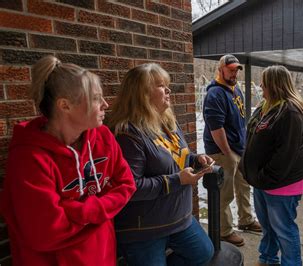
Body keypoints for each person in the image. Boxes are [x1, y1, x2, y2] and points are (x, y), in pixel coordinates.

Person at [0, 55, 137, 265]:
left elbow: (127, 184)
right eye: (95, 98)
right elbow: (44, 233)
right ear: (65, 105)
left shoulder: (103, 137)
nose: (106, 104)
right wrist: (102, 210)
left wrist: (80, 210)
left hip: (102, 255)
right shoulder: (28, 157)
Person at [108, 63, 214, 266]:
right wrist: (177, 180)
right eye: (160, 85)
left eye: (167, 84)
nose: (168, 90)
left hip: (180, 219)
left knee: (203, 253)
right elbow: (130, 187)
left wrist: (196, 159)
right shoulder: (127, 134)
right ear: (142, 93)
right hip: (145, 231)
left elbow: (177, 157)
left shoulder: (167, 123)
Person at [240, 65, 303, 266]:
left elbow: (285, 154)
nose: (261, 85)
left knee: (284, 230)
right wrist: (248, 169)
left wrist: (264, 177)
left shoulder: (290, 112)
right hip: (263, 182)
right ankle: (268, 259)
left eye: (264, 81)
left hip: (282, 184)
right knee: (268, 226)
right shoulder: (265, 106)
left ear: (275, 84)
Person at [203, 54, 261, 246]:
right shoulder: (215, 94)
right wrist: (228, 154)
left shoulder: (235, 89)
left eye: (236, 69)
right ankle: (224, 231)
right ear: (220, 70)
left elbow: (240, 120)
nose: (234, 73)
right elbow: (216, 129)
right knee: (224, 194)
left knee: (243, 186)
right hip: (222, 152)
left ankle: (246, 219)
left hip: (238, 148)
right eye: (231, 69)